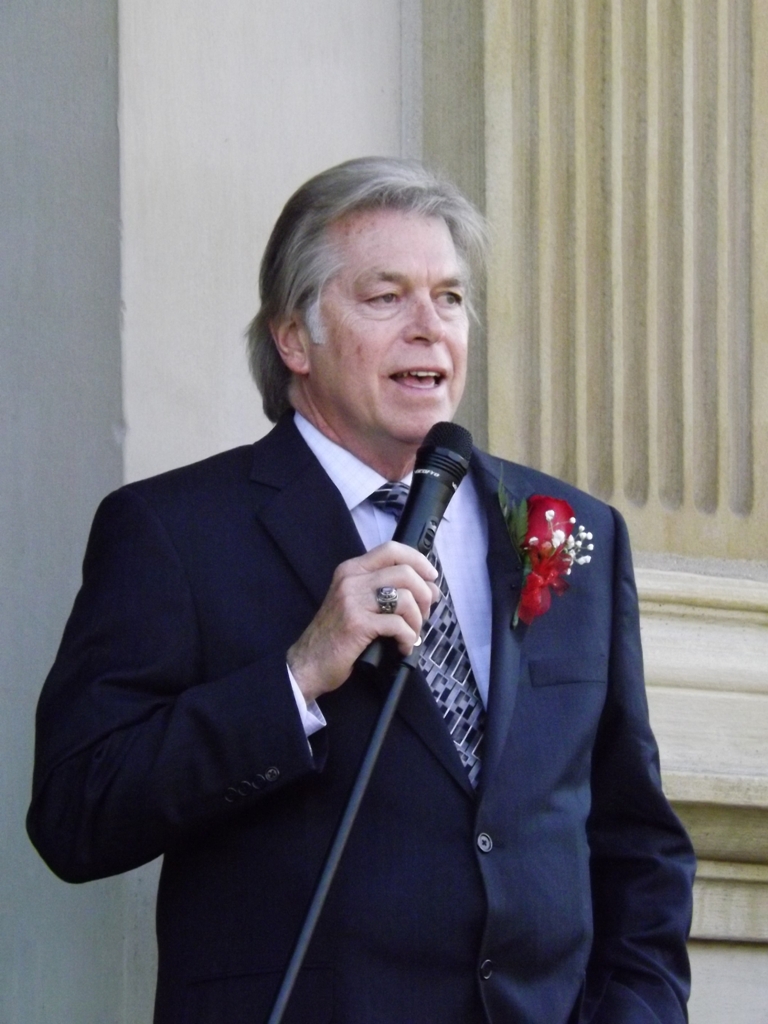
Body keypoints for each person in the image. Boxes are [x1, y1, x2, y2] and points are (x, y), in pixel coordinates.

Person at [28, 157, 694, 1024]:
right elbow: (77, 812)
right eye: (386, 297)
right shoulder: (174, 531)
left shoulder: (571, 530)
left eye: (449, 298)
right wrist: (296, 676)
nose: (430, 328)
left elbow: (637, 839)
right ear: (293, 339)